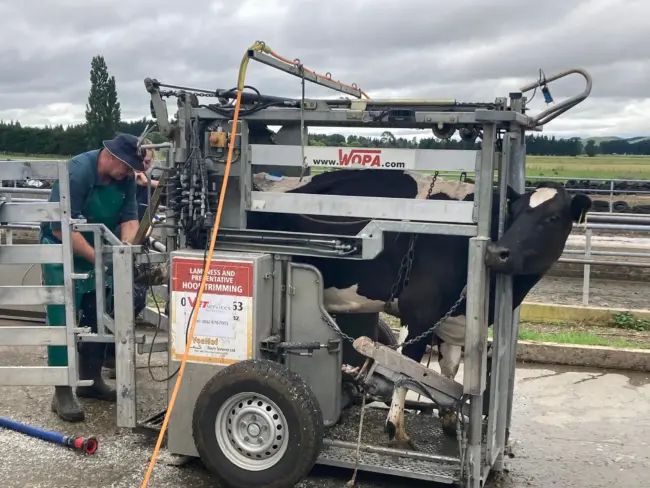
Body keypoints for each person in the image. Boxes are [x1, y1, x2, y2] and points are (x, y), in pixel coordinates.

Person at [40, 133, 145, 422]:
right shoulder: (77, 172)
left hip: (99, 247)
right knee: (62, 319)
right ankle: (62, 391)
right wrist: (99, 259)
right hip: (62, 249)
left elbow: (130, 219)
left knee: (99, 310)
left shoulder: (125, 178)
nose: (129, 173)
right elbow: (61, 227)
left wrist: (124, 252)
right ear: (109, 155)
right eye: (126, 166)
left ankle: (91, 380)